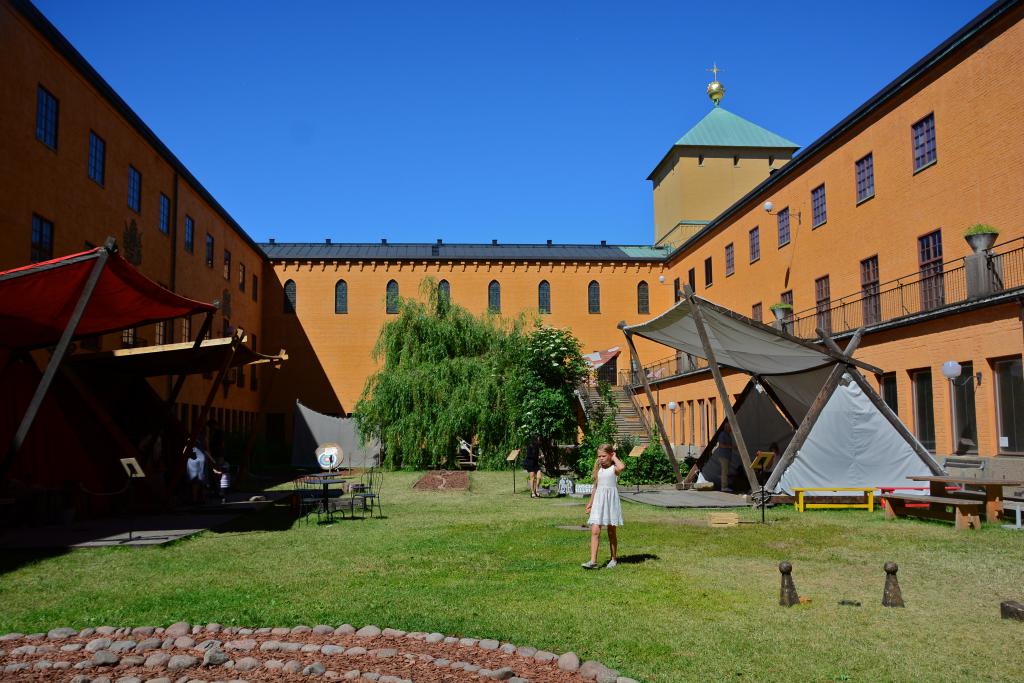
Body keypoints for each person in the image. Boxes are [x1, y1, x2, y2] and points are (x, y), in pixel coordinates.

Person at [582, 443, 625, 569]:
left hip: (610, 503)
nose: (601, 458)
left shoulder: (613, 469)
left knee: (611, 532)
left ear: (610, 455)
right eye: (599, 456)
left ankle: (613, 559)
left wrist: (614, 457)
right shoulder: (599, 470)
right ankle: (593, 561)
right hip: (598, 503)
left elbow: (621, 467)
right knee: (595, 531)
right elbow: (595, 487)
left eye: (604, 456)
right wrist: (590, 504)